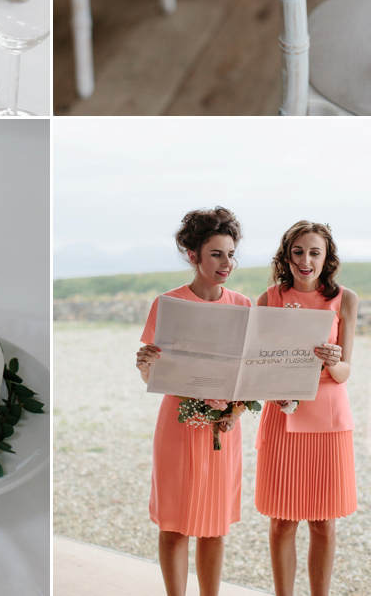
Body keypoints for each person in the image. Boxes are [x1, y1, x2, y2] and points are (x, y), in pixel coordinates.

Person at [136, 207, 250, 596]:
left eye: (230, 254)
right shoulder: (167, 303)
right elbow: (154, 376)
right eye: (216, 253)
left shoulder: (242, 306)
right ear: (193, 255)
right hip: (178, 426)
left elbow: (247, 374)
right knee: (174, 525)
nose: (226, 263)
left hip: (224, 427)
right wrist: (144, 365)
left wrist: (234, 411)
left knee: (215, 527)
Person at [254, 222, 357, 596]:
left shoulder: (345, 299)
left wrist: (332, 361)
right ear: (286, 255)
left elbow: (345, 372)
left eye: (314, 252)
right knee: (281, 522)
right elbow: (256, 364)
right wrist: (272, 390)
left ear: (327, 257)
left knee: (323, 523)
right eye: (298, 251)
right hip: (283, 418)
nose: (306, 260)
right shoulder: (269, 298)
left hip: (329, 419)